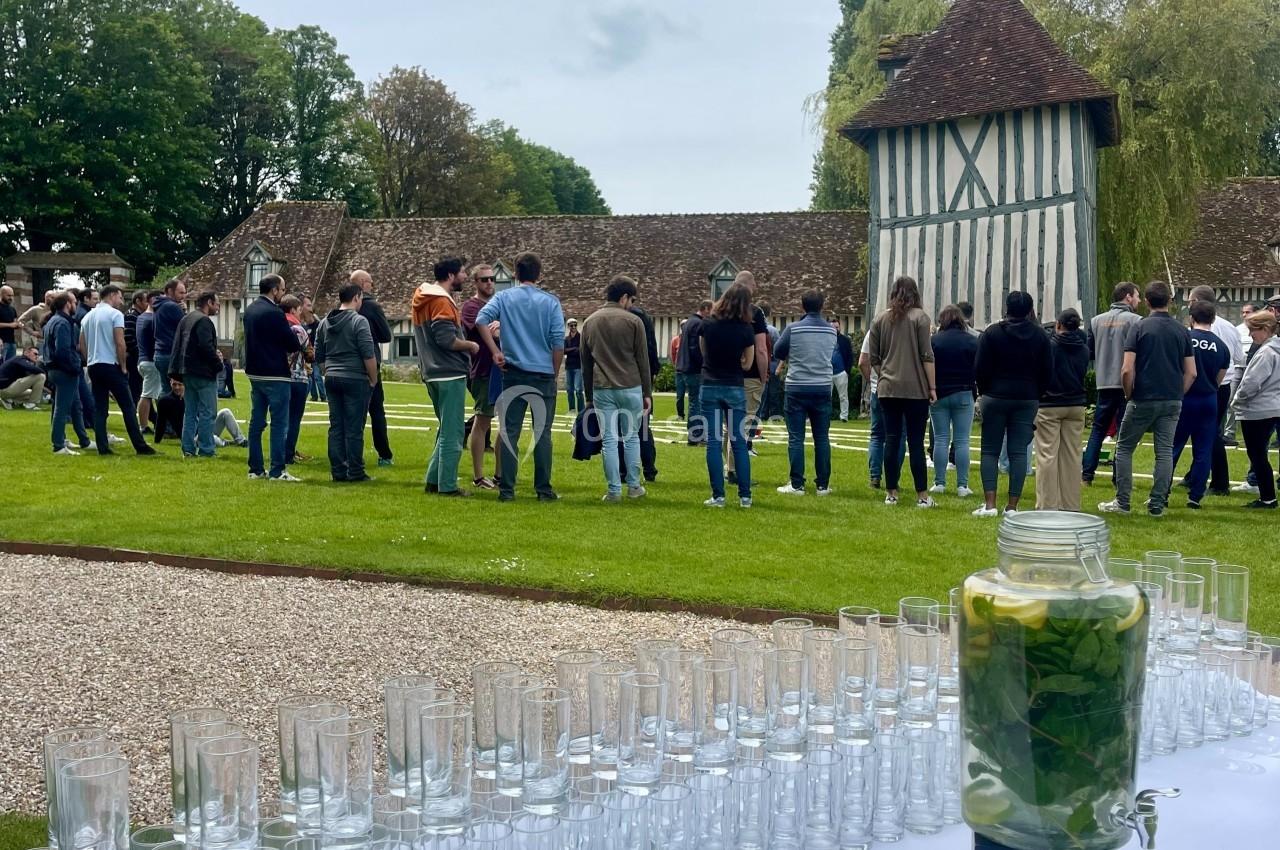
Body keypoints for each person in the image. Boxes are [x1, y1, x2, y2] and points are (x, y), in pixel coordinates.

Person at [1099, 281, 1196, 516]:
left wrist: (1128, 392)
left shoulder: (1140, 327)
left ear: (1148, 301)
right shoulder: (1182, 330)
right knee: (1164, 451)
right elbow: (1191, 372)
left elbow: (1126, 368)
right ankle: (1157, 503)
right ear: (1169, 302)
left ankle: (1122, 502)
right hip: (1172, 399)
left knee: (1124, 448)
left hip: (1143, 396)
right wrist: (1178, 393)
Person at [476, 252, 565, 503]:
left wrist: (495, 352)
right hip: (543, 373)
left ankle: (507, 490)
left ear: (515, 273)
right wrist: (554, 373)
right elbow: (558, 341)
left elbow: (481, 320)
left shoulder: (504, 298)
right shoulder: (550, 302)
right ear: (539, 273)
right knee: (542, 434)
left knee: (509, 432)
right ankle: (543, 489)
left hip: (512, 372)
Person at [973, 291, 1051, 517]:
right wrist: (1038, 393)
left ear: (1007, 308)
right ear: (1029, 310)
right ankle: (1012, 506)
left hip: (995, 396)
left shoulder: (992, 333)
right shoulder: (1040, 336)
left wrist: (984, 390)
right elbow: (1047, 370)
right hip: (1027, 397)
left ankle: (990, 504)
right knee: (1018, 452)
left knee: (990, 450)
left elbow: (980, 367)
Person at [581, 275, 652, 501]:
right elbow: (643, 360)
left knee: (609, 440)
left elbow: (585, 364)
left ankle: (613, 490)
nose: (632, 305)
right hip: (631, 385)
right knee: (631, 437)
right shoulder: (634, 322)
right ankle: (633, 486)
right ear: (624, 298)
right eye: (632, 299)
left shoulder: (590, 322)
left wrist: (588, 395)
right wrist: (647, 392)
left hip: (603, 387)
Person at [867, 276, 937, 508]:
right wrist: (932, 387)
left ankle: (891, 492)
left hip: (888, 388)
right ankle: (922, 495)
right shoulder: (920, 318)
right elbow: (927, 356)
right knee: (916, 442)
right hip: (915, 388)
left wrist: (885, 373)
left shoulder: (880, 319)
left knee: (891, 439)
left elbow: (873, 358)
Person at [414, 257, 479, 496]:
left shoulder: (423, 298)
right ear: (451, 275)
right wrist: (470, 345)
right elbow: (445, 339)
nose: (464, 277)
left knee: (445, 430)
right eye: (462, 273)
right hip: (449, 373)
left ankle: (434, 481)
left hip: (432, 372)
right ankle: (448, 486)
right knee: (453, 433)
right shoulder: (441, 301)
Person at [1177, 286, 1244, 495]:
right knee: (1208, 433)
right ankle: (1196, 478)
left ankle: (1219, 481)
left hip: (1198, 385)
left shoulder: (1191, 334)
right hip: (1221, 384)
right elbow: (1239, 357)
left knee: (1204, 435)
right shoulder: (1230, 328)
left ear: (1196, 303)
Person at [773, 289, 836, 496]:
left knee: (796, 438)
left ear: (802, 306)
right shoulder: (831, 331)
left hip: (797, 386)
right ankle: (823, 484)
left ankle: (797, 483)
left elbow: (778, 351)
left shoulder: (793, 329)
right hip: (822, 386)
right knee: (822, 437)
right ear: (822, 306)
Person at [78, 285, 155, 455]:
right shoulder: (115, 315)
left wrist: (89, 359)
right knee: (127, 406)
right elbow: (120, 342)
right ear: (112, 295)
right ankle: (140, 446)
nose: (121, 302)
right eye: (120, 297)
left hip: (93, 365)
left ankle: (102, 447)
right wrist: (123, 366)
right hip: (111, 364)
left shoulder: (87, 317)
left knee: (100, 409)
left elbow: (82, 344)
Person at [699, 282, 756, 507]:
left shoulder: (708, 324)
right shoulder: (746, 329)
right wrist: (738, 360)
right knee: (739, 442)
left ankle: (718, 495)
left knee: (713, 442)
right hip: (734, 385)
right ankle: (745, 495)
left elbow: (705, 354)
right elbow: (748, 363)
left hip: (710, 384)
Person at [316, 282, 379, 482]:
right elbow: (368, 354)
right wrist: (373, 379)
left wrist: (329, 372)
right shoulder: (359, 321)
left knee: (336, 426)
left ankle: (338, 471)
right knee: (354, 427)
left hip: (332, 377)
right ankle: (356, 470)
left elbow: (319, 354)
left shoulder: (324, 322)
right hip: (354, 377)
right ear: (357, 298)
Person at [1171, 300, 1231, 509]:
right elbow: (1219, 378)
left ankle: (1162, 490)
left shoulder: (1184, 338)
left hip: (1186, 397)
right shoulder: (1221, 346)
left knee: (1173, 446)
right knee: (1204, 449)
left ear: (1191, 318)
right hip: (1208, 399)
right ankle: (1195, 496)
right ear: (1213, 320)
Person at [243, 273, 303, 481]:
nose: (283, 294)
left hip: (254, 372)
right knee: (279, 423)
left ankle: (256, 468)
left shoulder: (249, 310)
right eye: (282, 290)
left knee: (256, 421)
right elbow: (291, 343)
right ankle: (278, 470)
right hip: (275, 373)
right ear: (274, 290)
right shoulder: (275, 313)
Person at [1082, 282, 1142, 483]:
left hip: (1104, 381)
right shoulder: (1136, 321)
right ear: (1127, 297)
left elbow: (1089, 351)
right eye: (1137, 296)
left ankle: (1087, 474)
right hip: (1126, 383)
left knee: (1098, 430)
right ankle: (1118, 476)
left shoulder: (1096, 321)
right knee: (1123, 434)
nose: (1139, 300)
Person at [1034, 308, 1090, 511]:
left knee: (1047, 455)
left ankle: (1047, 504)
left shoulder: (1050, 347)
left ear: (1058, 324)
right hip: (1076, 403)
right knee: (1072, 456)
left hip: (1050, 404)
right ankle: (1070, 504)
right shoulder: (1083, 349)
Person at [1231, 309, 1280, 509]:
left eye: (1253, 330)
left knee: (1257, 455)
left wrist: (1238, 399)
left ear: (1265, 329)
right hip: (1273, 405)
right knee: (1260, 454)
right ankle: (1268, 496)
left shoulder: (1266, 353)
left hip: (1258, 409)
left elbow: (1251, 383)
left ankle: (1267, 497)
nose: (1251, 335)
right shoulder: (1274, 349)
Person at [929, 305, 978, 497]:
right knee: (962, 441)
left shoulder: (934, 341)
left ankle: (939, 482)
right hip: (965, 392)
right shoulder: (972, 341)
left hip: (939, 393)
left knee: (941, 439)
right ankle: (962, 485)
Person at [167, 290, 223, 457]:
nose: (218, 306)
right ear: (209, 302)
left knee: (190, 412)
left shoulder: (186, 319)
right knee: (208, 412)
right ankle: (206, 449)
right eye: (217, 303)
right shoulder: (204, 321)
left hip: (186, 371)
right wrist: (218, 364)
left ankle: (188, 448)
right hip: (203, 372)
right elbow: (205, 346)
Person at [725, 272, 769, 484]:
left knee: (728, 424)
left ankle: (729, 466)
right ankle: (735, 470)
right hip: (749, 375)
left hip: (725, 374)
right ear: (748, 286)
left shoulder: (721, 311)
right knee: (744, 422)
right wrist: (764, 375)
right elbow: (761, 348)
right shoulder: (755, 312)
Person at [461, 263, 500, 489]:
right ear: (475, 283)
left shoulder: (499, 304)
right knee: (482, 421)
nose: (489, 283)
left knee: (505, 424)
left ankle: (500, 475)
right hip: (483, 371)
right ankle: (478, 476)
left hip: (503, 371)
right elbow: (485, 328)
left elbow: (504, 329)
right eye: (484, 279)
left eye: (492, 279)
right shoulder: (470, 307)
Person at [351, 269, 394, 466]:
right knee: (376, 410)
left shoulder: (343, 307)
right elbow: (386, 335)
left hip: (349, 364)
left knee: (352, 412)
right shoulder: (372, 307)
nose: (372, 286)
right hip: (370, 364)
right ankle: (384, 454)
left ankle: (351, 453)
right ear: (362, 283)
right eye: (370, 282)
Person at [42, 293, 93, 454]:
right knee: (62, 408)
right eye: (74, 303)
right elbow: (63, 350)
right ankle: (58, 445)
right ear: (67, 304)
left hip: (56, 369)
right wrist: (74, 365)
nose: (76, 306)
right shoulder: (63, 323)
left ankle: (83, 440)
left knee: (75, 406)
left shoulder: (53, 321)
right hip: (64, 371)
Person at [860, 330, 905, 489]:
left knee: (877, 435)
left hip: (878, 389)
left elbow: (862, 362)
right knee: (899, 436)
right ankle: (893, 478)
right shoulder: (910, 327)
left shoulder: (874, 331)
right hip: (903, 389)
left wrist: (872, 381)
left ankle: (875, 476)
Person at [154, 382, 246, 448]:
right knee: (211, 439)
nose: (177, 387)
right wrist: (157, 441)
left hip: (205, 428)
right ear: (170, 383)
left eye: (180, 385)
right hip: (192, 437)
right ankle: (226, 443)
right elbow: (160, 422)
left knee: (225, 412)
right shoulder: (164, 401)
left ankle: (241, 441)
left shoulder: (192, 396)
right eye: (174, 384)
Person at [628, 299, 661, 481]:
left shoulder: (634, 317)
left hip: (626, 377)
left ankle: (626, 471)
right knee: (642, 427)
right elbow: (651, 348)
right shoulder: (643, 317)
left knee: (628, 428)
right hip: (642, 376)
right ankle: (649, 468)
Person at [280, 294, 313, 465]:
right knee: (294, 419)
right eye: (300, 310)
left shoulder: (277, 326)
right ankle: (288, 453)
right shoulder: (298, 329)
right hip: (298, 377)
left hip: (280, 377)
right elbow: (310, 354)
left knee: (282, 418)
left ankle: (279, 451)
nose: (301, 313)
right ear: (293, 310)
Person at [677, 300, 711, 444]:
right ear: (706, 309)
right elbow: (695, 347)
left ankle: (694, 434)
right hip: (694, 368)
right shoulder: (699, 324)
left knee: (693, 401)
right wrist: (704, 363)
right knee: (697, 402)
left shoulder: (689, 322)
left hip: (685, 367)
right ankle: (696, 435)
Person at [152, 278, 187, 401]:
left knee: (165, 389)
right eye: (180, 293)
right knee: (177, 391)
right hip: (170, 354)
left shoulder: (159, 305)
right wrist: (183, 311)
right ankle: (172, 419)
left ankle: (162, 419)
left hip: (160, 353)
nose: (183, 296)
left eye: (184, 292)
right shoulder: (172, 306)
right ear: (170, 291)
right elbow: (187, 326)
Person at [134, 291, 161, 434]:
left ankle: (157, 424)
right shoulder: (152, 320)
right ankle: (143, 426)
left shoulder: (141, 317)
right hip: (151, 362)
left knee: (153, 394)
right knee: (147, 395)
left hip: (143, 360)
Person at [123, 290, 147, 407]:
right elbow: (129, 338)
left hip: (135, 356)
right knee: (137, 390)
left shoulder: (137, 315)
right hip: (133, 358)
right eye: (146, 300)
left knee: (140, 390)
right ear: (138, 301)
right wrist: (140, 353)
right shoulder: (132, 315)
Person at [302, 296, 327, 403]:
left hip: (316, 354)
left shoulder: (318, 325)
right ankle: (314, 396)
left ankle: (323, 395)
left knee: (317, 376)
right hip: (308, 355)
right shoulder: (305, 327)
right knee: (310, 377)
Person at [832, 324, 853, 421]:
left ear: (840, 327)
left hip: (841, 372)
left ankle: (844, 417)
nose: (835, 329)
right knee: (826, 397)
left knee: (843, 396)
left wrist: (847, 371)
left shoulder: (845, 340)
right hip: (827, 372)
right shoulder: (825, 339)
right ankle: (824, 416)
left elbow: (850, 356)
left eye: (837, 327)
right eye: (833, 327)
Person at [564, 318, 584, 412]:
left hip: (578, 366)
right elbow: (564, 350)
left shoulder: (581, 337)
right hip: (569, 367)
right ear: (568, 327)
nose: (574, 327)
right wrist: (574, 349)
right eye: (572, 325)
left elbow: (581, 350)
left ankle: (581, 410)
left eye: (575, 325)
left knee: (579, 390)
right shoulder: (566, 339)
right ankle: (571, 409)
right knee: (569, 390)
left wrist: (570, 350)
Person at [0, 285, 20, 361]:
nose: (11, 298)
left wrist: (18, 325)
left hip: (12, 342)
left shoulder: (12, 309)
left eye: (12, 295)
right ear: (1, 294)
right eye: (8, 295)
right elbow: (11, 324)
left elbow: (15, 322)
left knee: (10, 366)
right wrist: (10, 325)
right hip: (2, 342)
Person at [671, 320, 686, 419]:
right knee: (680, 395)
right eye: (683, 326)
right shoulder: (675, 340)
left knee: (695, 396)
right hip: (679, 371)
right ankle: (680, 414)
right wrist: (675, 365)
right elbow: (672, 354)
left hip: (691, 371)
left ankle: (695, 415)